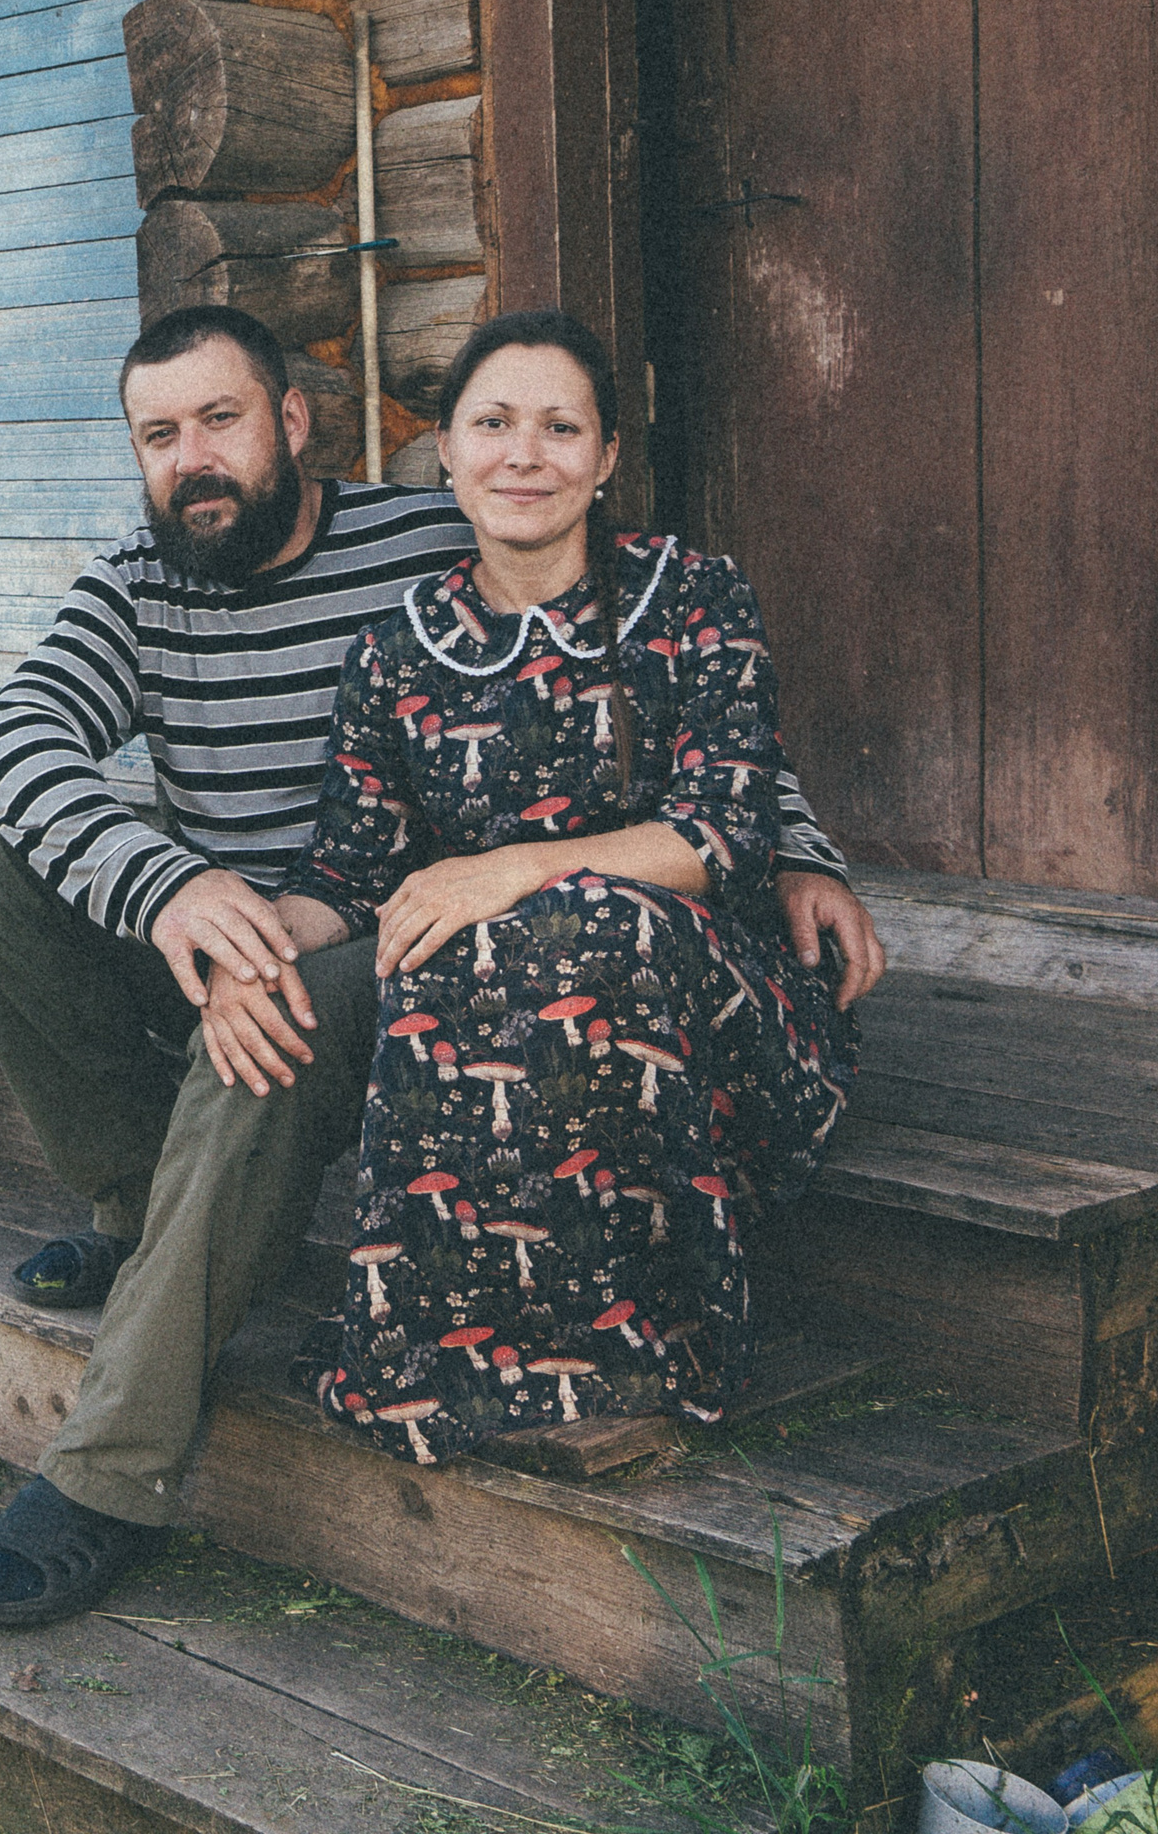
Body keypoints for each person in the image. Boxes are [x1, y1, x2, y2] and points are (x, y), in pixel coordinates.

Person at [0, 304, 884, 1626]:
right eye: (159, 435)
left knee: (287, 1025)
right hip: (257, 917)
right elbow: (20, 739)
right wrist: (184, 896)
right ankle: (148, 1217)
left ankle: (106, 1472)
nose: (193, 458)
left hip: (416, 940)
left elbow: (707, 728)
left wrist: (800, 854)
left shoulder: (447, 530)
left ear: (292, 421)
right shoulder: (148, 587)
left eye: (221, 419)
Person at [277, 309, 853, 1456]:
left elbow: (725, 829)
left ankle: (648, 1346)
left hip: (718, 1029)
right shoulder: (396, 653)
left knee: (568, 918)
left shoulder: (691, 596)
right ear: (446, 450)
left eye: (560, 427)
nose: (524, 455)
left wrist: (510, 869)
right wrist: (237, 939)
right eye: (492, 424)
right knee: (442, 938)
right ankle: (439, 1365)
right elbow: (349, 872)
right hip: (502, 1031)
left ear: (605, 457)